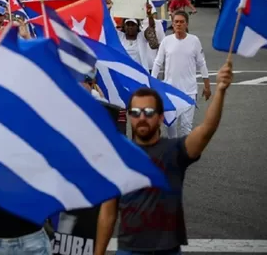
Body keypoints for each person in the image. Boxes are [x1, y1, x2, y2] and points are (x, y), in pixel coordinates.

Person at [95, 62, 233, 255]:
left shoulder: (175, 151)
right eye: (135, 112)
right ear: (129, 117)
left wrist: (220, 90)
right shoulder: (119, 158)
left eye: (149, 112)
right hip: (129, 251)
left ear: (160, 117)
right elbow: (108, 214)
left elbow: (206, 130)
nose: (142, 117)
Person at [151, 11, 210, 138]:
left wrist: (207, 85)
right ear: (172, 24)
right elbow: (157, 63)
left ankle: (183, 155)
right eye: (176, 22)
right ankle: (174, 153)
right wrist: (152, 82)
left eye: (181, 22)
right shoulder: (166, 41)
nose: (178, 24)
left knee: (186, 128)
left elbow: (202, 63)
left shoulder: (194, 41)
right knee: (170, 126)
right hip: (170, 92)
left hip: (189, 92)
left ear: (186, 24)